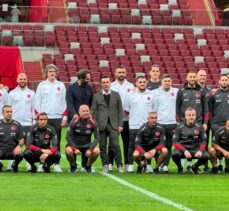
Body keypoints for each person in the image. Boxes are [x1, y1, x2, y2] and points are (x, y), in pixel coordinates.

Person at [35, 64, 67, 172]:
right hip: (45, 118)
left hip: (57, 117)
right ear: (46, 73)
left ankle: (56, 164)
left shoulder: (61, 85)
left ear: (56, 73)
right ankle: (42, 163)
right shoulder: (41, 85)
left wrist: (65, 118)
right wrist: (39, 117)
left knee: (56, 142)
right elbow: (37, 102)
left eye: (53, 71)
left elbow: (64, 102)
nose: (52, 73)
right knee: (42, 142)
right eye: (50, 71)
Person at [176, 71, 209, 172]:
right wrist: (178, 122)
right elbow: (177, 107)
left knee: (197, 143)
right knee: (183, 142)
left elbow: (206, 108)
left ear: (196, 78)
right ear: (186, 78)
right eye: (190, 76)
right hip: (183, 122)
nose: (192, 78)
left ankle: (193, 166)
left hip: (198, 122)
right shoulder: (181, 91)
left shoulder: (201, 91)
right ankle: (181, 167)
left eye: (194, 77)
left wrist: (205, 122)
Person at [91, 75, 124, 173]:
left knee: (116, 146)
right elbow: (93, 110)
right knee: (102, 146)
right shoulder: (96, 96)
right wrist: (93, 124)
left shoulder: (116, 95)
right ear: (100, 84)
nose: (105, 84)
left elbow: (120, 111)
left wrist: (120, 125)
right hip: (101, 125)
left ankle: (119, 165)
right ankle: (105, 165)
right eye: (103, 82)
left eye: (107, 82)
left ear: (110, 83)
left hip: (113, 125)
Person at [124, 73, 154, 173]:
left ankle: (148, 165)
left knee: (148, 145)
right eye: (140, 82)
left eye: (144, 82)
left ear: (146, 83)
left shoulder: (151, 94)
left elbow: (154, 110)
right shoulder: (130, 95)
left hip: (147, 125)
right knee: (131, 145)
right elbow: (127, 110)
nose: (142, 84)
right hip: (134, 124)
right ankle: (130, 165)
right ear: (136, 83)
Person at [108, 66, 134, 171]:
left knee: (127, 142)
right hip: (114, 119)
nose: (121, 74)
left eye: (123, 72)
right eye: (119, 72)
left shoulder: (131, 86)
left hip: (127, 119)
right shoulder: (111, 86)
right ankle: (109, 162)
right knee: (113, 142)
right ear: (115, 73)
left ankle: (127, 163)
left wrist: (128, 109)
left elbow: (132, 101)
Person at [7, 73, 35, 171]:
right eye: (21, 79)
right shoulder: (12, 93)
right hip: (15, 123)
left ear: (26, 80)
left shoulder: (31, 93)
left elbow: (33, 109)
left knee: (28, 144)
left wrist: (34, 121)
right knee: (12, 144)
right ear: (17, 80)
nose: (22, 81)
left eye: (24, 79)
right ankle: (10, 165)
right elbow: (8, 109)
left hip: (28, 123)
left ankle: (29, 166)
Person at [152, 74, 178, 172]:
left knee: (169, 145)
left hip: (171, 123)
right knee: (157, 145)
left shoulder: (176, 92)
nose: (167, 83)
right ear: (161, 82)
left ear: (171, 82)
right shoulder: (155, 93)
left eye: (169, 81)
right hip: (159, 123)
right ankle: (157, 164)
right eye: (165, 81)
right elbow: (153, 107)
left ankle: (165, 165)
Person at [172, 107, 209, 174]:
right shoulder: (179, 126)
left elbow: (204, 140)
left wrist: (200, 151)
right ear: (185, 116)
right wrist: (184, 150)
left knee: (206, 156)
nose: (191, 117)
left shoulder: (199, 126)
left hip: (195, 148)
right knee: (174, 154)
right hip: (183, 148)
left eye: (193, 115)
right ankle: (180, 167)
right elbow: (174, 141)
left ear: (195, 116)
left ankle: (195, 167)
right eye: (189, 115)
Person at [66, 105, 100, 173]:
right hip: (75, 145)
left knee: (97, 151)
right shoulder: (74, 121)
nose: (85, 112)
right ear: (79, 112)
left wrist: (90, 149)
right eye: (83, 111)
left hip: (87, 145)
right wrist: (74, 149)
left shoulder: (92, 122)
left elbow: (97, 137)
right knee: (68, 151)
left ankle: (88, 166)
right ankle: (73, 167)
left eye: (87, 111)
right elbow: (68, 136)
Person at [208, 74, 229, 171]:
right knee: (216, 145)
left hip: (228, 125)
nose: (224, 82)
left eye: (226, 80)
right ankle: (217, 165)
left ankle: (226, 166)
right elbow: (210, 110)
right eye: (223, 80)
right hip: (216, 124)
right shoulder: (214, 94)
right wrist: (212, 123)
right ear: (219, 82)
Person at [0, 105, 25, 172]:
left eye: (11, 112)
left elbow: (22, 138)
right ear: (2, 113)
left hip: (13, 150)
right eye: (7, 112)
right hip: (1, 150)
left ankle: (14, 165)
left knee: (21, 154)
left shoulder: (17, 124)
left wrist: (19, 146)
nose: (9, 113)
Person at [197, 69, 212, 172]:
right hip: (196, 119)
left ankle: (205, 164)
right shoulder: (194, 89)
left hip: (207, 121)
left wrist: (206, 122)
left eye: (204, 75)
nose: (203, 77)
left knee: (205, 142)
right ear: (197, 77)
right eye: (201, 75)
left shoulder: (209, 90)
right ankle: (191, 164)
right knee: (194, 141)